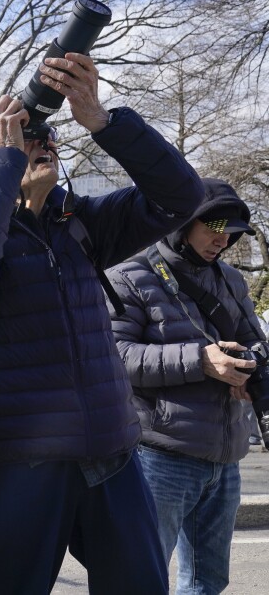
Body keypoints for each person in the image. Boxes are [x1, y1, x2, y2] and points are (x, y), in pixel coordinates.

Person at [0, 52, 205, 594]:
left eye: (47, 136)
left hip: (111, 452)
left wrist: (103, 121)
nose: (42, 143)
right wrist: (3, 161)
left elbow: (183, 198)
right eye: (25, 137)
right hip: (20, 464)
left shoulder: (80, 224)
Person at [106, 178, 262, 594]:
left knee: (208, 582)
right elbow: (114, 358)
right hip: (159, 456)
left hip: (225, 457)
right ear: (182, 224)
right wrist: (200, 361)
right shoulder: (129, 276)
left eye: (232, 232)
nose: (223, 240)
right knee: (141, 578)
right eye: (214, 228)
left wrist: (252, 371)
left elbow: (254, 342)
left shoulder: (230, 279)